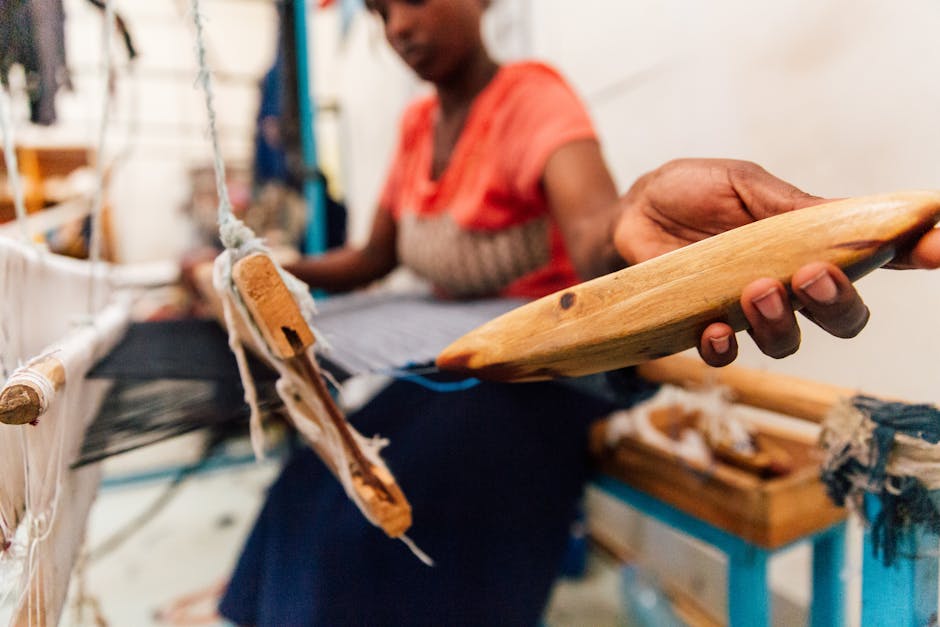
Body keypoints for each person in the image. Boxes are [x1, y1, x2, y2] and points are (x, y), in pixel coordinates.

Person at [218, 1, 940, 626]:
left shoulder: (534, 100)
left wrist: (635, 210)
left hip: (548, 376)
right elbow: (373, 257)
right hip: (459, 360)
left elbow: (596, 226)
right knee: (313, 487)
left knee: (383, 529)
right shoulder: (416, 129)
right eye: (379, 13)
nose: (399, 25)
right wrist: (257, 266)